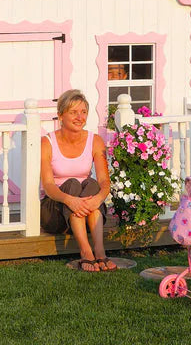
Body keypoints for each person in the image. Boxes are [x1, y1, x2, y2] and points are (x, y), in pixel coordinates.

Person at [40, 89, 116, 272]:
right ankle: (85, 252)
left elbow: (105, 181)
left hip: (87, 208)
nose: (79, 117)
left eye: (83, 112)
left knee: (92, 184)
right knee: (73, 184)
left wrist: (98, 199)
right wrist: (69, 200)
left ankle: (99, 250)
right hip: (56, 211)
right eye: (73, 112)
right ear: (60, 115)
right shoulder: (47, 142)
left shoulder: (95, 141)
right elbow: (49, 186)